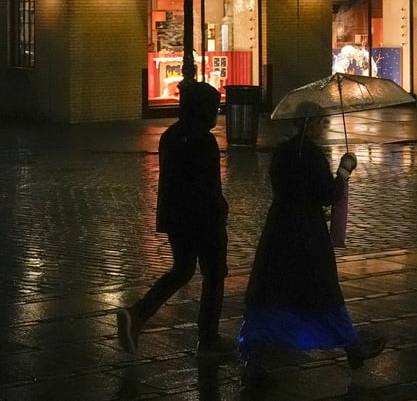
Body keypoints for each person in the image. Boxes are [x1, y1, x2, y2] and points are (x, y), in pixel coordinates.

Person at [238, 105, 384, 387]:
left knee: (270, 296)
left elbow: (288, 190)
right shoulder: (314, 156)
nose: (324, 126)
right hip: (308, 236)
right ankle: (353, 348)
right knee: (325, 293)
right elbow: (327, 194)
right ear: (312, 123)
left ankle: (252, 361)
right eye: (322, 121)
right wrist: (343, 171)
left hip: (279, 230)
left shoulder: (281, 153)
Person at [117, 81, 232, 358]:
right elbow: (208, 188)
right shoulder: (203, 141)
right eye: (213, 108)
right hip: (203, 220)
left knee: (182, 270)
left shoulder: (172, 135)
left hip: (177, 219)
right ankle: (208, 338)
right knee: (214, 275)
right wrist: (220, 216)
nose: (215, 114)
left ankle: (138, 314)